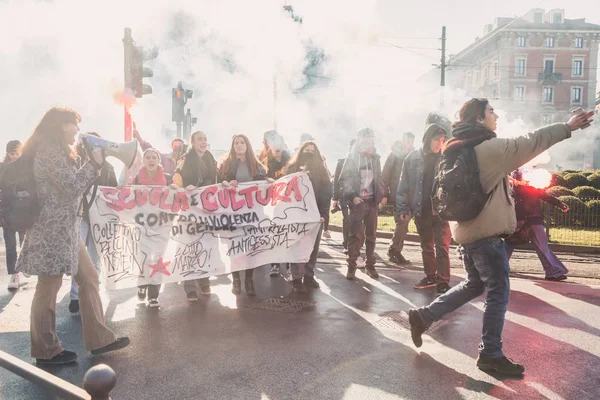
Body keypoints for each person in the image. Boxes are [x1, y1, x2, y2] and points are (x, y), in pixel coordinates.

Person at [408, 98, 594, 376]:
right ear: (480, 119)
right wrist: (567, 126)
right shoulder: (489, 148)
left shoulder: (455, 148)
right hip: (488, 236)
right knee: (498, 290)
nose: (496, 115)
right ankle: (490, 354)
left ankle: (424, 316)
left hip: (467, 233)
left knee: (474, 284)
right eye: (491, 111)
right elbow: (530, 141)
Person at [16, 107, 129, 365]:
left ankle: (100, 338)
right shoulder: (48, 151)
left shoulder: (60, 151)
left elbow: (74, 183)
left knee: (89, 278)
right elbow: (71, 187)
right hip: (51, 231)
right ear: (60, 125)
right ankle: (46, 350)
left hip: (66, 229)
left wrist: (90, 160)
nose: (78, 131)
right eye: (74, 125)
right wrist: (95, 163)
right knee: (49, 288)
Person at [397, 117, 452, 294]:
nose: (440, 144)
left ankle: (443, 281)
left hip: (442, 212)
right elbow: (403, 185)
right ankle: (430, 276)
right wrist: (403, 209)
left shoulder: (446, 158)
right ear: (428, 139)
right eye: (437, 140)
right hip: (421, 210)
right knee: (426, 246)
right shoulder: (412, 158)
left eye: (443, 141)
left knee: (442, 247)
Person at [69, 132, 118, 313]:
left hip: (98, 219)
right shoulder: (75, 162)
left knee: (94, 258)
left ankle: (91, 293)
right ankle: (75, 297)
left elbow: (112, 192)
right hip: (81, 216)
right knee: (79, 258)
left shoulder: (109, 167)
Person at [220, 134, 268, 295]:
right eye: (236, 143)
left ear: (247, 145)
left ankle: (249, 280)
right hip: (233, 214)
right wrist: (227, 183)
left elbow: (261, 183)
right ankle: (236, 280)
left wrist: (268, 182)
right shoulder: (226, 165)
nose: (239, 145)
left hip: (252, 214)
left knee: (251, 247)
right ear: (233, 147)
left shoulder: (256, 164)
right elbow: (218, 184)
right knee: (235, 247)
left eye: (242, 142)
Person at [173, 130, 217, 302]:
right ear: (192, 142)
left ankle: (204, 279)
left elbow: (216, 179)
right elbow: (176, 181)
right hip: (189, 209)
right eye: (199, 139)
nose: (203, 142)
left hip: (206, 210)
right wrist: (185, 188)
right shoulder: (185, 159)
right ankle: (189, 285)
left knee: (206, 245)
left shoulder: (211, 159)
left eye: (205, 139)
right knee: (190, 246)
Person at [505, 169, 570, 281]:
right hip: (525, 217)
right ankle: (554, 271)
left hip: (528, 217)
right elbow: (520, 189)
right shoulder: (518, 175)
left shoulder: (523, 176)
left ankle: (553, 271)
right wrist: (559, 204)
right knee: (511, 243)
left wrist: (559, 204)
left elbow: (540, 194)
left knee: (511, 244)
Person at [286, 141, 332, 293]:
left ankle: (309, 275)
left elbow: (326, 194)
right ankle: (296, 277)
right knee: (297, 247)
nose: (309, 153)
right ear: (301, 152)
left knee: (312, 247)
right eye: (306, 150)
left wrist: (324, 214)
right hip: (296, 215)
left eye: (312, 151)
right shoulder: (292, 169)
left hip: (315, 215)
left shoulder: (322, 172)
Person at [339, 128, 385, 280]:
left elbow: (379, 178)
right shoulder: (351, 158)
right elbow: (343, 180)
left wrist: (381, 194)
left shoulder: (375, 158)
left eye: (370, 139)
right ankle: (351, 266)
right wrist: (352, 196)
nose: (368, 142)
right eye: (365, 139)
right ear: (359, 140)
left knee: (371, 236)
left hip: (372, 202)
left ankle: (370, 266)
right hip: (358, 203)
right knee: (355, 236)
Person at [133, 148, 174, 307]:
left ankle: (154, 295)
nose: (151, 160)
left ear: (159, 161)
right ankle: (142, 284)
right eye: (148, 157)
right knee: (144, 257)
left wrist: (176, 191)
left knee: (157, 259)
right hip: (143, 225)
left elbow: (176, 199)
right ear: (143, 161)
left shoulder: (168, 179)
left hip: (162, 226)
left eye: (154, 158)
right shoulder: (136, 180)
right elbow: (129, 199)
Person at [381, 132, 415, 265]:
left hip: (409, 196)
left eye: (411, 141)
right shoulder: (395, 154)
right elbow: (385, 174)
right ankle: (393, 250)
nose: (409, 143)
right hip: (396, 195)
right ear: (403, 140)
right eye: (407, 140)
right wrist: (384, 194)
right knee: (402, 223)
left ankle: (396, 251)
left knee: (404, 225)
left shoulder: (413, 155)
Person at [262, 131, 291, 277]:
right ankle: (275, 264)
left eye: (280, 144)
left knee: (289, 235)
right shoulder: (264, 164)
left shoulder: (292, 163)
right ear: (270, 147)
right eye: (274, 144)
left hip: (289, 206)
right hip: (272, 207)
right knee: (274, 235)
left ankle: (288, 264)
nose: (277, 147)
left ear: (284, 146)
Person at [1, 140, 26, 290]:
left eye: (17, 153)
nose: (14, 156)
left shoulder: (27, 168)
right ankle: (14, 274)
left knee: (24, 244)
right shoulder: (2, 167)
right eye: (11, 153)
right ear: (7, 153)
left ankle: (23, 268)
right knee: (10, 246)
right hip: (8, 212)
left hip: (23, 212)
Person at [331, 140, 355, 253]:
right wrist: (335, 198)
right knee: (347, 219)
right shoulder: (341, 162)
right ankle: (346, 244)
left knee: (356, 220)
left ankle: (355, 243)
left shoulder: (361, 161)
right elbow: (336, 180)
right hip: (343, 195)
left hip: (357, 194)